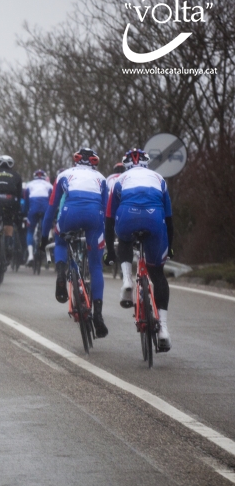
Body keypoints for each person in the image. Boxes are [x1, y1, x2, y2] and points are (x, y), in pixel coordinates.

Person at [104, 149, 173, 350]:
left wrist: (110, 249)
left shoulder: (120, 179)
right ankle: (164, 329)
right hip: (154, 220)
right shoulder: (159, 178)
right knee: (158, 274)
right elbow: (169, 220)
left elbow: (109, 219)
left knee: (124, 238)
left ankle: (126, 280)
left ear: (125, 165)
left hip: (128, 216)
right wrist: (172, 246)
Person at [40, 147, 109, 338]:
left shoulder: (64, 174)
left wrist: (44, 238)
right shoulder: (102, 178)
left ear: (75, 161)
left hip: (70, 213)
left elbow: (51, 208)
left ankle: (61, 274)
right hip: (95, 217)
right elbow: (106, 210)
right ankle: (99, 315)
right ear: (95, 162)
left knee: (61, 241)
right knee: (95, 265)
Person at [0, 155, 22, 265]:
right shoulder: (16, 175)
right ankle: (8, 244)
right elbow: (19, 194)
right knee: (8, 222)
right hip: (11, 201)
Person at [24, 169, 52, 265]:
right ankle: (46, 249)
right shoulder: (49, 185)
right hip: (45, 208)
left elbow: (26, 200)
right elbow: (52, 199)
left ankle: (30, 255)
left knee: (30, 231)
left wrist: (25, 212)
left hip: (33, 209)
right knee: (46, 228)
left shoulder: (29, 184)